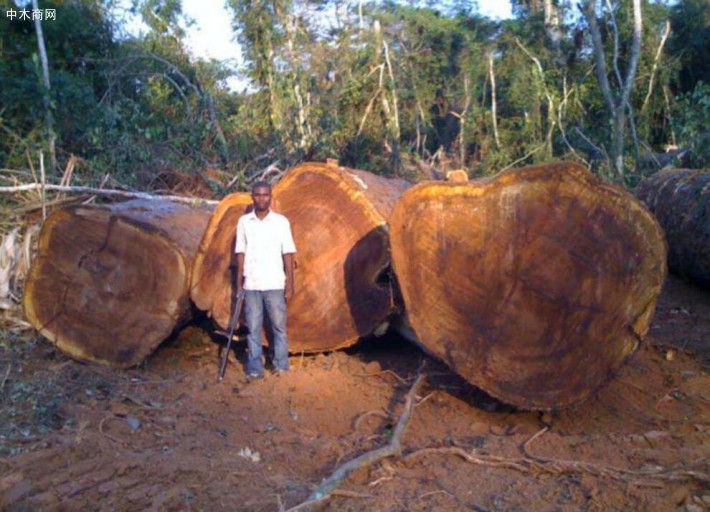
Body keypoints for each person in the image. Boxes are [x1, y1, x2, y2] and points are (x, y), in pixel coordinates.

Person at [235, 181, 296, 379]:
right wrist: (239, 284)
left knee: (278, 326)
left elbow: (288, 253)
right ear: (252, 197)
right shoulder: (244, 222)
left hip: (275, 283)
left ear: (271, 197)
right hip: (251, 283)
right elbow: (240, 253)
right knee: (253, 328)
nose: (262, 199)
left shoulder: (281, 222)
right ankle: (255, 368)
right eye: (258, 195)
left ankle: (281, 365)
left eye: (265, 195)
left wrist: (290, 283)